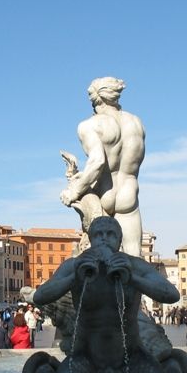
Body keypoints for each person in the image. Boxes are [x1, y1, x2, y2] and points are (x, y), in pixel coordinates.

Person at [31, 216, 183, 373]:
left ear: (119, 240)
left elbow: (172, 295)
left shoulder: (133, 264)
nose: (104, 239)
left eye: (110, 234)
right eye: (98, 235)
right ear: (90, 239)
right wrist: (74, 277)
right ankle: (46, 368)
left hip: (131, 358)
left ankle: (170, 366)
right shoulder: (75, 264)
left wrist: (132, 277)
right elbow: (40, 297)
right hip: (87, 359)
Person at [60, 77, 145, 256]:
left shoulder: (89, 125)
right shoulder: (136, 124)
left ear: (94, 100)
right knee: (134, 259)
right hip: (129, 196)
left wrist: (74, 191)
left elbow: (97, 162)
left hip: (103, 196)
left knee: (95, 262)